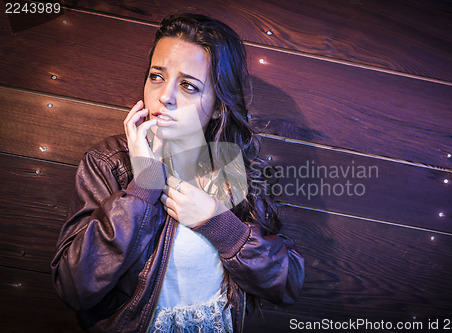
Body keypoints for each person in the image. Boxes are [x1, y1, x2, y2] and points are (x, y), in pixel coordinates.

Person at [51, 12, 305, 333]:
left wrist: (219, 224)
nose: (165, 96)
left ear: (217, 105)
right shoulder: (109, 163)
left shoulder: (239, 168)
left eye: (188, 85)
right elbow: (73, 286)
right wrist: (143, 185)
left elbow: (286, 283)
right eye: (157, 76)